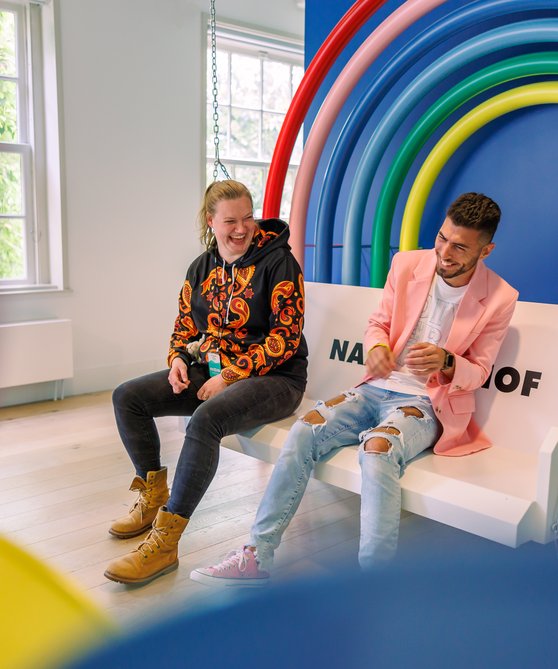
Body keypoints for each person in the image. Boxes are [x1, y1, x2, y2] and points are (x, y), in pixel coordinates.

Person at [190, 192, 519, 586]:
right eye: (442, 238)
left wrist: (447, 362)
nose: (444, 252)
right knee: (305, 428)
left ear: (486, 251)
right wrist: (378, 347)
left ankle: (373, 587)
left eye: (460, 247)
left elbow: (480, 370)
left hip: (427, 403)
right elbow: (378, 323)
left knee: (377, 450)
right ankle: (257, 555)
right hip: (376, 387)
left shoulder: (500, 298)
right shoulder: (408, 264)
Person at [104, 180, 307, 585]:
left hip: (276, 378)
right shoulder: (201, 268)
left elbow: (284, 339)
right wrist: (178, 358)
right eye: (230, 220)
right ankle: (152, 493)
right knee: (128, 397)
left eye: (248, 217)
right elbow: (184, 326)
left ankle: (165, 541)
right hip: (215, 369)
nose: (241, 228)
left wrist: (231, 376)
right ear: (210, 222)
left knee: (205, 420)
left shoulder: (279, 263)